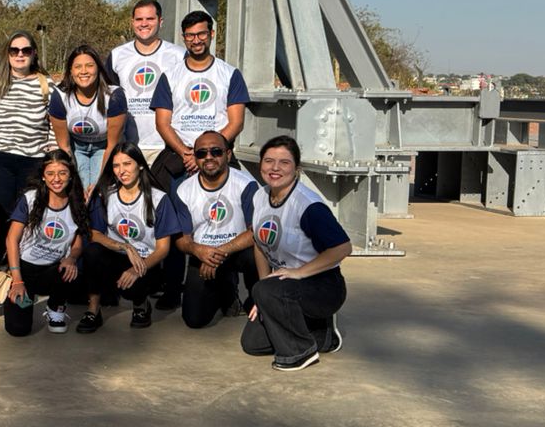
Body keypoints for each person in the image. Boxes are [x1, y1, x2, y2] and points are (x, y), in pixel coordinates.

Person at [241, 135, 351, 370]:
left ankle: (300, 352)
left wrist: (299, 273)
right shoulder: (260, 196)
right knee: (252, 344)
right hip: (284, 285)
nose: (275, 168)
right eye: (269, 161)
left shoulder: (309, 205)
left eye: (284, 162)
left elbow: (343, 247)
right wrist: (264, 296)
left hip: (321, 285)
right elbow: (259, 243)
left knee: (267, 292)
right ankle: (323, 335)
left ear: (297, 169)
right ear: (260, 165)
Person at [84, 143, 190, 330]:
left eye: (127, 164)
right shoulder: (105, 194)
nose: (121, 171)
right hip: (116, 256)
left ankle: (141, 305)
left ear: (140, 165)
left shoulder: (159, 198)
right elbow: (94, 234)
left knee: (134, 285)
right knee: (92, 252)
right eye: (116, 166)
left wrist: (136, 270)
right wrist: (125, 247)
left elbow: (163, 249)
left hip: (146, 262)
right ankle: (93, 309)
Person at [0, 30, 54, 262]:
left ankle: (24, 262)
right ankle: (2, 263)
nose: (20, 55)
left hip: (33, 160)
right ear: (7, 53)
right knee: (0, 213)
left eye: (26, 50)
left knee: (27, 215)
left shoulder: (46, 84)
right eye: (14, 50)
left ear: (34, 53)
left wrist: (51, 148)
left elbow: (56, 120)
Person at [172, 130, 260, 329]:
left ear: (228, 154)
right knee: (194, 320)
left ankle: (257, 300)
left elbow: (255, 232)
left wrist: (220, 252)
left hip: (237, 250)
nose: (209, 157)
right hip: (203, 253)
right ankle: (226, 290)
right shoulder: (184, 190)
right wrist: (197, 250)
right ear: (195, 158)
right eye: (201, 153)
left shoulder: (246, 184)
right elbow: (182, 239)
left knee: (256, 254)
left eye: (216, 152)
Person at [152, 10, 249, 177]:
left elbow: (236, 122)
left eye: (201, 34)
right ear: (184, 38)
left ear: (212, 34)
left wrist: (206, 153)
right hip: (180, 158)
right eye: (190, 35)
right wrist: (186, 154)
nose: (196, 40)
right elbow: (162, 123)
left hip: (217, 157)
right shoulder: (169, 76)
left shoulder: (230, 74)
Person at [3, 150, 90, 337]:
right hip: (24, 269)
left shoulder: (77, 201)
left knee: (70, 271)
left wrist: (72, 258)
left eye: (62, 173)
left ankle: (55, 307)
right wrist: (17, 280)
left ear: (71, 175)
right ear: (43, 176)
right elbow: (11, 239)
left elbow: (77, 243)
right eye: (50, 173)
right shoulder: (31, 198)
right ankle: (15, 293)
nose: (56, 179)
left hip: (53, 269)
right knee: (18, 329)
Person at [104, 0, 185, 186]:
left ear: (160, 21)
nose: (144, 24)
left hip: (166, 148)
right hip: (129, 148)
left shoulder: (178, 55)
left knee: (163, 200)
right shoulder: (117, 55)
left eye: (150, 19)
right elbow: (107, 99)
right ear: (132, 22)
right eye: (139, 19)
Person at [50, 44, 128, 191]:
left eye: (90, 66)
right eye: (78, 67)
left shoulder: (114, 96)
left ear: (98, 68)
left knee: (99, 191)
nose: (84, 71)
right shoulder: (60, 96)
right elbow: (64, 146)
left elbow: (112, 145)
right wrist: (76, 183)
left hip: (104, 147)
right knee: (80, 189)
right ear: (71, 71)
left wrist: (99, 183)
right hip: (75, 147)